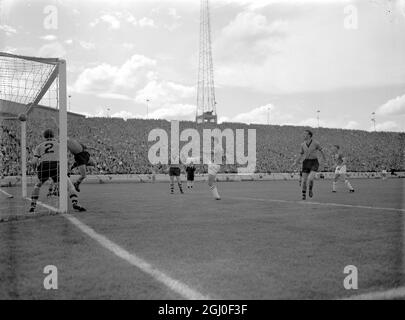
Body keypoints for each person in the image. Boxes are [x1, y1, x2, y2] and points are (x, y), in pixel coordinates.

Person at [29, 129, 86, 213]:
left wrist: (33, 166)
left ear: (44, 136)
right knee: (69, 186)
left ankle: (33, 205)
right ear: (53, 135)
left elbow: (34, 161)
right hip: (56, 165)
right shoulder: (59, 144)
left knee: (37, 185)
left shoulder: (39, 146)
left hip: (44, 166)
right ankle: (75, 203)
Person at [293, 129, 326, 200]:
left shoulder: (316, 143)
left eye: (305, 134)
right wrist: (296, 161)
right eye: (303, 134)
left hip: (314, 162)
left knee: (310, 178)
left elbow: (322, 151)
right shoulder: (302, 144)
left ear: (309, 135)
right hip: (306, 162)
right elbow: (301, 154)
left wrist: (324, 158)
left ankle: (310, 190)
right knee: (304, 180)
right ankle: (303, 194)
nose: (303, 135)